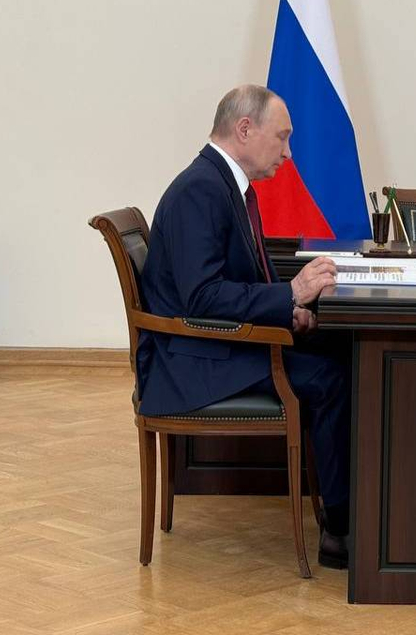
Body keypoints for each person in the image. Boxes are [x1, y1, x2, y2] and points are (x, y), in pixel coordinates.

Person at [137, 84, 351, 568]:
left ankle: (347, 509)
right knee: (333, 377)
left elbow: (233, 281)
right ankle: (340, 529)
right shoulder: (200, 190)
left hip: (211, 347)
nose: (288, 153)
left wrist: (286, 310)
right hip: (191, 362)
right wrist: (289, 294)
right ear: (245, 129)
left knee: (341, 349)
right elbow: (202, 296)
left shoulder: (222, 184)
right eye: (283, 137)